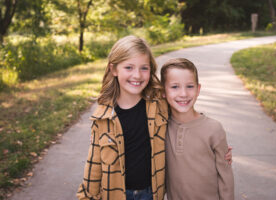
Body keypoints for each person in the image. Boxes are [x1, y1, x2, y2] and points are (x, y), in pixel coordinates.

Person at [77, 35, 232, 200]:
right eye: (129, 67)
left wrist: (217, 148)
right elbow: (94, 164)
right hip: (115, 194)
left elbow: (184, 112)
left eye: (144, 68)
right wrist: (88, 196)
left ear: (151, 70)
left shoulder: (158, 105)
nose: (137, 75)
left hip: (150, 194)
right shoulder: (103, 118)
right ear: (114, 69)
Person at [160, 58, 234, 200]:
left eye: (190, 86)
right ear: (163, 91)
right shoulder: (161, 127)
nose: (183, 94)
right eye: (175, 87)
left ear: (198, 89)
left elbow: (226, 178)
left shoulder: (213, 129)